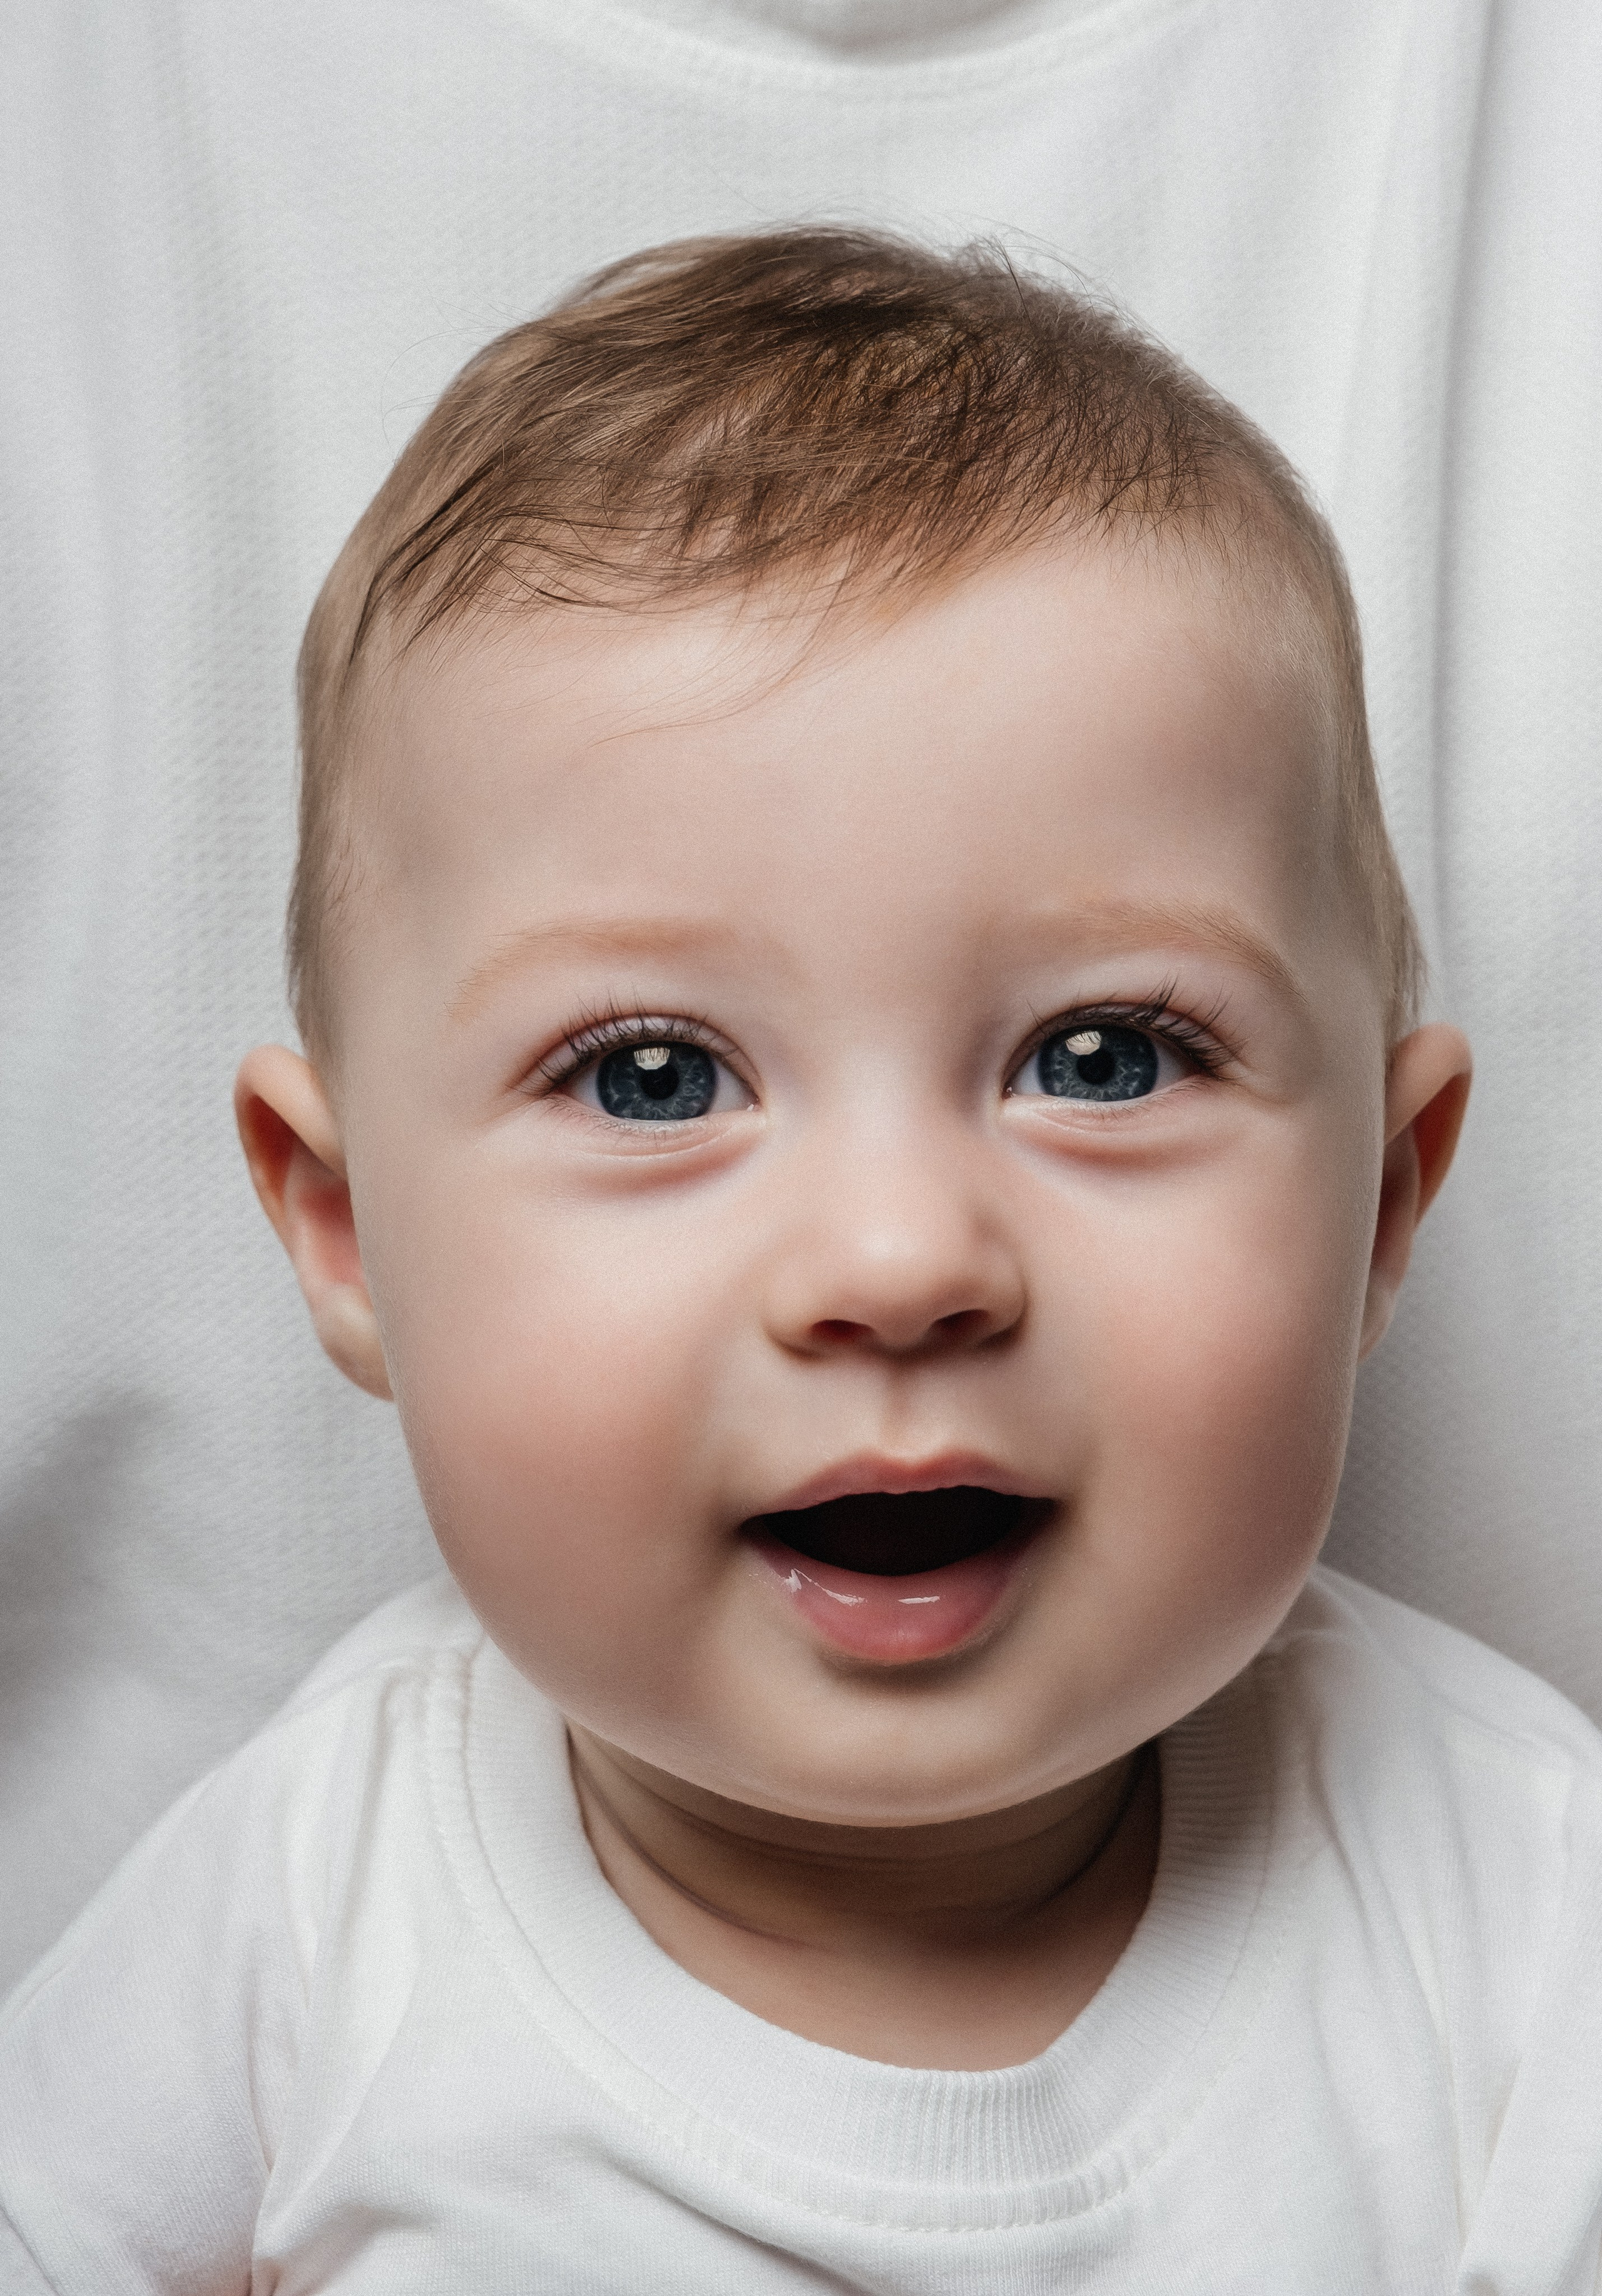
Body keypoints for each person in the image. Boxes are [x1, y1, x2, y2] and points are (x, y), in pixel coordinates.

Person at [3, 228, 1598, 2291]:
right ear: (348, 1233)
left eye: (1103, 1058)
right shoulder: (313, 1902)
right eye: (656, 1078)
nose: (902, 1258)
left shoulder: (1521, 1913)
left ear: (1381, 1200)